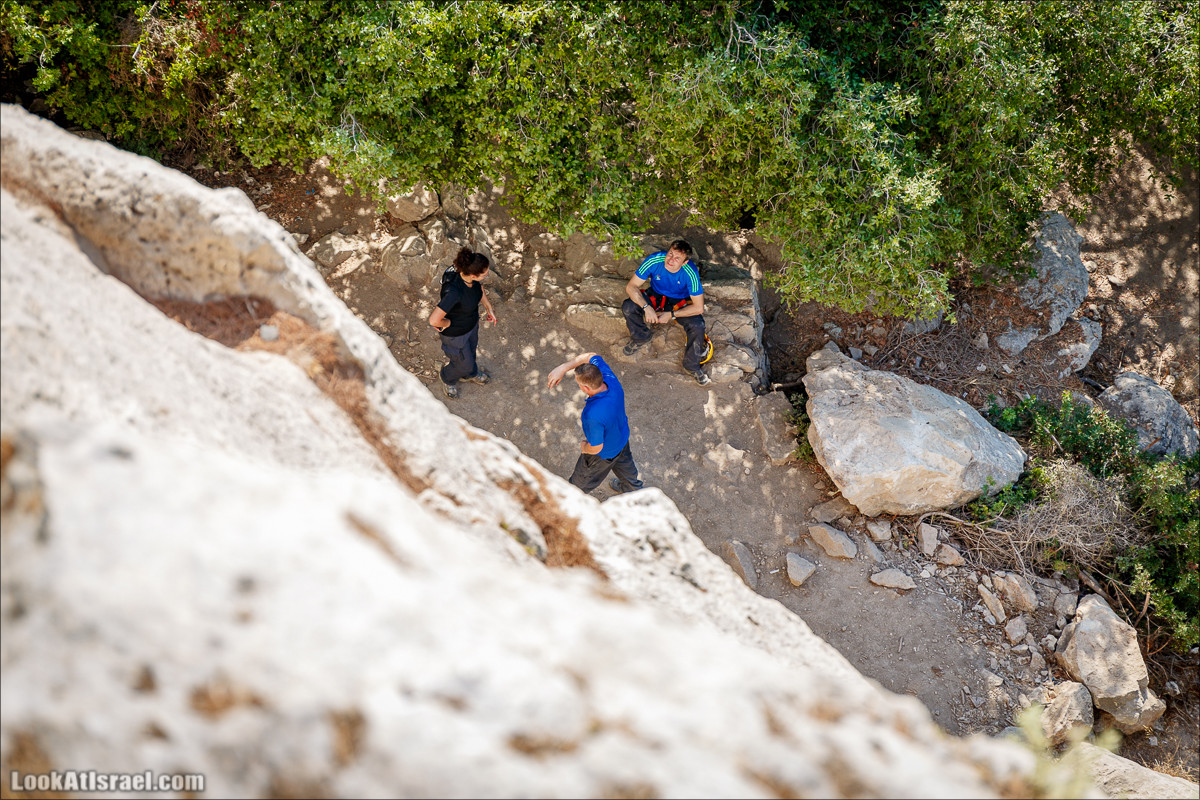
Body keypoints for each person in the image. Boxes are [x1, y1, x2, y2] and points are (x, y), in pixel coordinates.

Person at [547, 351, 644, 494]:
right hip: (622, 440)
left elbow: (596, 447)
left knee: (578, 484)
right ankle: (633, 491)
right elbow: (590, 356)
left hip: (603, 456)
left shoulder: (591, 415)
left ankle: (570, 499)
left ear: (586, 388)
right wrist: (563, 368)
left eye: (579, 384)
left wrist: (584, 447)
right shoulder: (610, 379)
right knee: (628, 472)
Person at [620, 238, 711, 385]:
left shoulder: (690, 272)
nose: (671, 260)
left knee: (697, 325)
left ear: (684, 262)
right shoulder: (654, 260)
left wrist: (672, 315)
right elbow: (631, 287)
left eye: (677, 258)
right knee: (629, 307)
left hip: (679, 300)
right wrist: (647, 308)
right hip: (656, 294)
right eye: (670, 254)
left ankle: (691, 365)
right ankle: (641, 336)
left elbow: (698, 307)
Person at [428, 246, 498, 399]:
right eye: (484, 274)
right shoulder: (454, 292)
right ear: (473, 275)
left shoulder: (469, 277)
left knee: (470, 353)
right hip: (455, 335)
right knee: (462, 363)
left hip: (471, 325)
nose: (486, 275)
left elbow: (479, 289)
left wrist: (489, 308)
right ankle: (447, 378)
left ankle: (470, 374)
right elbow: (434, 320)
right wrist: (448, 324)